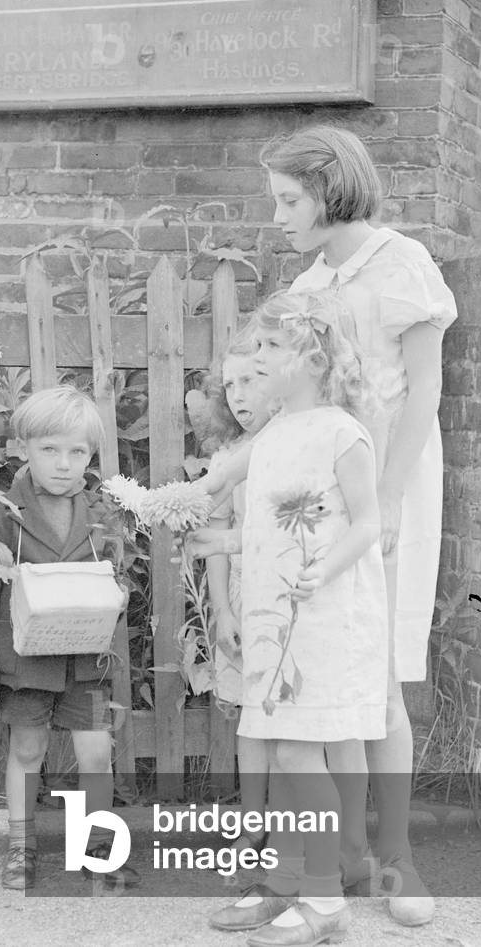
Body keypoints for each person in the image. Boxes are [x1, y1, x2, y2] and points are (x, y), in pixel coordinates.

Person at [261, 124, 458, 927]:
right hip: (326, 491)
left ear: (332, 191)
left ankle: (396, 855)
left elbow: (422, 391)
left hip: (392, 482)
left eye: (288, 200)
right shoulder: (309, 286)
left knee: (376, 679)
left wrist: (386, 498)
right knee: (329, 678)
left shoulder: (401, 265)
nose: (276, 217)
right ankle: (340, 854)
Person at [189, 291, 387, 946]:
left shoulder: (340, 432)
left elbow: (366, 526)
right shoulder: (276, 433)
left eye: (272, 348)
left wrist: (322, 570)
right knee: (288, 751)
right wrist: (206, 532)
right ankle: (299, 884)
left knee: (301, 752)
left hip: (324, 621)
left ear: (313, 357)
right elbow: (236, 503)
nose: (260, 357)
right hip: (279, 620)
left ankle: (324, 900)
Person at [0, 385, 138, 892]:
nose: (64, 464)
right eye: (49, 450)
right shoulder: (2, 513)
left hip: (85, 656)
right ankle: (21, 846)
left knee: (96, 750)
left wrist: (116, 594)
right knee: (27, 749)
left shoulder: (105, 512)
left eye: (77, 452)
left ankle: (97, 846)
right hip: (25, 658)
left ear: (91, 455)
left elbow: (120, 575)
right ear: (23, 450)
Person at [202, 328, 275, 855]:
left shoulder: (304, 444)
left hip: (292, 597)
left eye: (250, 380)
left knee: (297, 720)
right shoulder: (229, 456)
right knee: (252, 716)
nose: (239, 396)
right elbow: (214, 540)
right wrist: (223, 610)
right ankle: (253, 821)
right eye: (229, 386)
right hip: (245, 597)